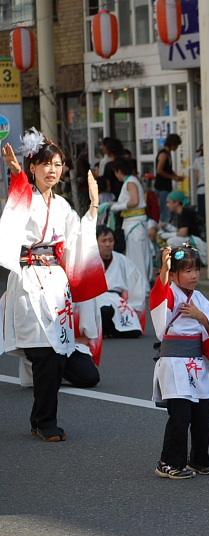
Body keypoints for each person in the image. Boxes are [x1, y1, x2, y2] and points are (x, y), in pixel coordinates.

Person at [0, 129, 107, 441]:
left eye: (57, 164)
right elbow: (18, 205)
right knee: (44, 354)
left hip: (56, 282)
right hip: (29, 279)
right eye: (46, 163)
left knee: (57, 355)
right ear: (33, 167)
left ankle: (40, 418)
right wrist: (17, 175)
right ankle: (45, 421)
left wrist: (94, 206)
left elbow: (77, 239)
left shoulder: (61, 205)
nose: (52, 170)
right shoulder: (24, 196)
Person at [150, 245, 209, 479]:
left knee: (204, 411)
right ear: (174, 275)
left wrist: (200, 316)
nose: (194, 275)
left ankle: (199, 459)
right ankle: (168, 462)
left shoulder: (198, 298)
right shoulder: (169, 292)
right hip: (173, 363)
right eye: (187, 271)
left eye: (196, 270)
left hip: (195, 363)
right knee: (180, 415)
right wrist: (164, 269)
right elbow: (159, 300)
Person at [95, 226, 147, 338]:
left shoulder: (122, 260)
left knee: (134, 332)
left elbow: (136, 282)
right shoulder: (88, 261)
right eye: (104, 241)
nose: (108, 244)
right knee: (104, 311)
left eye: (110, 240)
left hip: (117, 300)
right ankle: (106, 329)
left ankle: (110, 329)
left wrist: (135, 306)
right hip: (97, 300)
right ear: (96, 243)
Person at [108, 157, 151, 281]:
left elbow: (134, 201)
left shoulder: (130, 182)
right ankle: (140, 285)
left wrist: (116, 206)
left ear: (119, 171)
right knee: (137, 258)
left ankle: (141, 286)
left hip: (134, 224)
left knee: (137, 260)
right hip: (134, 223)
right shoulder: (132, 180)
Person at [158, 191, 208, 265]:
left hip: (198, 242)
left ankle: (184, 263)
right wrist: (166, 226)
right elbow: (180, 230)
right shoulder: (181, 213)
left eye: (169, 202)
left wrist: (164, 235)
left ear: (176, 203)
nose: (167, 205)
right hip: (193, 240)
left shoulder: (186, 212)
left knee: (171, 241)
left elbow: (183, 233)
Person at [155, 134, 184, 223]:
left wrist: (176, 176)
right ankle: (164, 226)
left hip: (166, 186)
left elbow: (168, 169)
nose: (177, 147)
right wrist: (173, 177)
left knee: (167, 210)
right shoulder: (163, 154)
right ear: (173, 144)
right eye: (176, 145)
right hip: (162, 186)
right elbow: (159, 170)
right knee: (165, 211)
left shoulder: (168, 154)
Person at [191, 144, 205, 218]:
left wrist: (197, 187)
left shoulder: (197, 160)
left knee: (202, 213)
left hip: (201, 189)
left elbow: (197, 176)